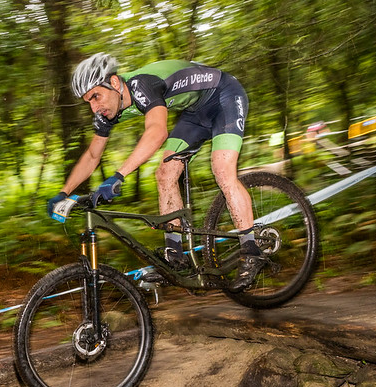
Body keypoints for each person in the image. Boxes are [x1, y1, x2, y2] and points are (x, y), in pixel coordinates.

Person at [47, 53, 265, 292]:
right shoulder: (107, 111)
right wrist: (63, 192)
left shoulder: (142, 85)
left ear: (115, 83)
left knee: (222, 170)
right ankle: (176, 257)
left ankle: (252, 251)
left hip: (224, 95)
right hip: (195, 113)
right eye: (88, 101)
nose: (94, 107)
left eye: (96, 96)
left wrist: (119, 175)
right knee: (165, 174)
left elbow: (157, 131)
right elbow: (92, 156)